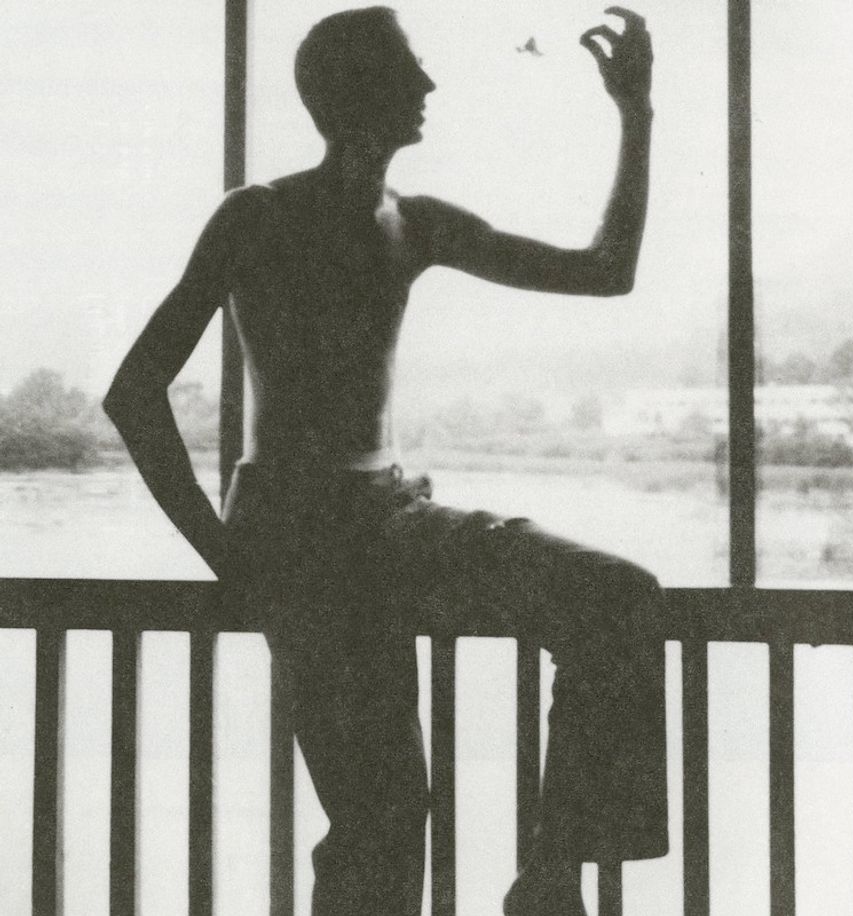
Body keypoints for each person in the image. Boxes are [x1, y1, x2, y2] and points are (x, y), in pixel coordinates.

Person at [104, 6, 667, 914]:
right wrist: (227, 555)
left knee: (616, 597)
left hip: (389, 518)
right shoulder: (258, 217)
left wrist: (635, 115)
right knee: (384, 816)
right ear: (356, 89)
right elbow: (136, 391)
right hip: (300, 539)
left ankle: (552, 879)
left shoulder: (417, 223)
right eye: (411, 69)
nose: (430, 86)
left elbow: (607, 270)